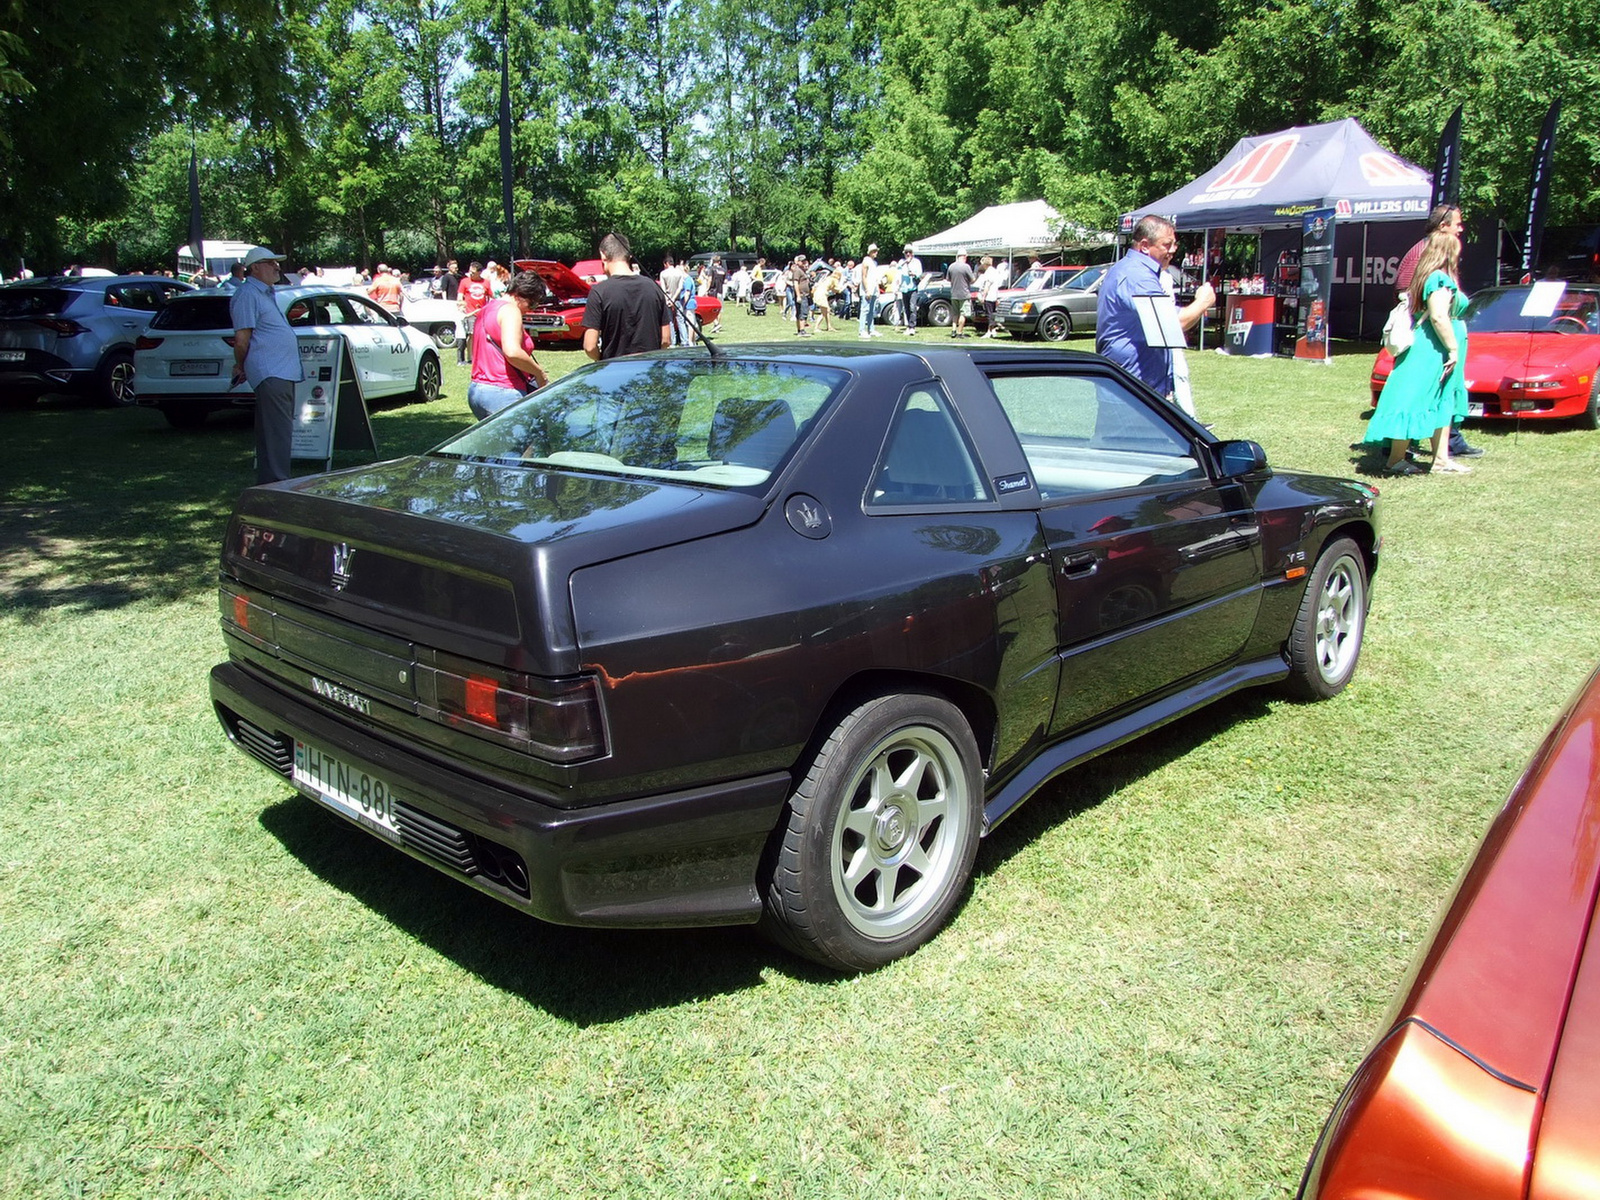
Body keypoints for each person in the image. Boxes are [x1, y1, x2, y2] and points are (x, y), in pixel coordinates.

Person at [1363, 230, 1471, 476]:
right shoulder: (1439, 280)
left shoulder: (1427, 277)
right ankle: (1395, 460)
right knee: (1414, 400)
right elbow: (1438, 315)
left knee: (1440, 401)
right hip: (1432, 349)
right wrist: (1453, 348)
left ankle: (1441, 460)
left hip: (1435, 348)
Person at [1096, 214, 1216, 401]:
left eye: (1174, 244)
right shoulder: (1137, 275)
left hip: (1131, 387)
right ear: (1144, 246)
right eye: (1167, 245)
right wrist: (1203, 301)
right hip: (1132, 390)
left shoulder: (1132, 269)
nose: (1173, 250)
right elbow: (1171, 325)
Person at [1395, 204, 1483, 459]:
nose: (1461, 229)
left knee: (1436, 393)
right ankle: (1400, 450)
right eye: (1457, 224)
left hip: (1434, 336)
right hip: (1429, 339)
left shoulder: (1430, 255)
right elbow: (1407, 293)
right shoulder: (1426, 254)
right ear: (1442, 227)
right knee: (1417, 393)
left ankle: (1443, 449)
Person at [228, 247, 303, 485]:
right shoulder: (248, 294)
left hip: (279, 371)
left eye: (276, 263)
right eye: (271, 263)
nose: (277, 267)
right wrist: (240, 365)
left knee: (274, 431)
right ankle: (279, 483)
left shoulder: (263, 293)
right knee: (277, 432)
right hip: (272, 372)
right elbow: (242, 339)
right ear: (256, 267)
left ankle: (272, 482)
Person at [467, 270, 548, 421]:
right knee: (526, 443)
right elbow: (512, 352)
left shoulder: (487, 309)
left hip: (477, 390)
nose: (531, 310)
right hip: (503, 392)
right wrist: (539, 373)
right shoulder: (511, 311)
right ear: (519, 295)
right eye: (532, 303)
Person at [582, 232, 672, 361]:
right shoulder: (654, 287)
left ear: (603, 255)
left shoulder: (599, 292)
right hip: (649, 371)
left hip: (615, 372)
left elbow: (590, 346)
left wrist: (602, 361)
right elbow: (666, 340)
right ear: (629, 255)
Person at [456, 261, 490, 365]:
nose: (470, 274)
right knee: (472, 334)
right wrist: (461, 306)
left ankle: (480, 355)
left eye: (473, 272)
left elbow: (491, 296)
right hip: (470, 312)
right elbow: (460, 296)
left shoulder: (486, 282)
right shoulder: (464, 281)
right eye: (470, 272)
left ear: (479, 272)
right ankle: (471, 357)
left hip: (482, 312)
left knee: (482, 335)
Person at [947, 248, 975, 337]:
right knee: (963, 314)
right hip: (964, 294)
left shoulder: (951, 266)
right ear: (964, 256)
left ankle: (953, 331)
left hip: (954, 293)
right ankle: (959, 332)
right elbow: (973, 279)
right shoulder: (966, 267)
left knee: (955, 314)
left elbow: (948, 279)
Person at [857, 243, 881, 339]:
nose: (876, 253)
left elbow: (874, 277)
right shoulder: (866, 261)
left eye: (876, 251)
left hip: (874, 288)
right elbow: (864, 276)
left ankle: (871, 329)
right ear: (870, 252)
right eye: (874, 251)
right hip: (867, 289)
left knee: (871, 310)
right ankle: (862, 330)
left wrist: (877, 289)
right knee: (865, 309)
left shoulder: (874, 263)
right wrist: (867, 290)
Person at [898, 248, 923, 336]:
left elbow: (920, 273)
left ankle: (912, 327)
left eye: (910, 252)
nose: (908, 254)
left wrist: (914, 274)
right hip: (904, 288)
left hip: (913, 288)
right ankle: (908, 326)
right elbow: (898, 268)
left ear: (912, 253)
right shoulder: (902, 261)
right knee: (906, 308)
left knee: (912, 307)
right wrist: (906, 262)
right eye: (906, 252)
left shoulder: (916, 262)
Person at [978, 256, 1003, 337]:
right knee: (992, 314)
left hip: (989, 296)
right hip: (994, 295)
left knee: (989, 315)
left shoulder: (989, 272)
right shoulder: (995, 271)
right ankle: (993, 330)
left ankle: (989, 331)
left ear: (985, 264)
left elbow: (987, 285)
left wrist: (983, 296)